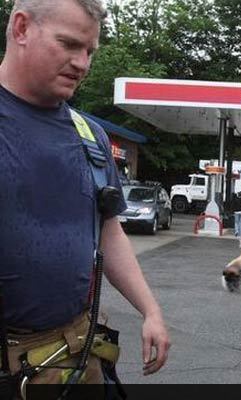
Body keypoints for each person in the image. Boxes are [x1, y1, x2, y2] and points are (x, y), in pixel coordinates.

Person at [0, 0, 171, 391]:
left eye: (90, 51)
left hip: (74, 358)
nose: (83, 63)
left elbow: (108, 231)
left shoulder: (89, 136)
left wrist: (150, 310)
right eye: (69, 44)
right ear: (22, 28)